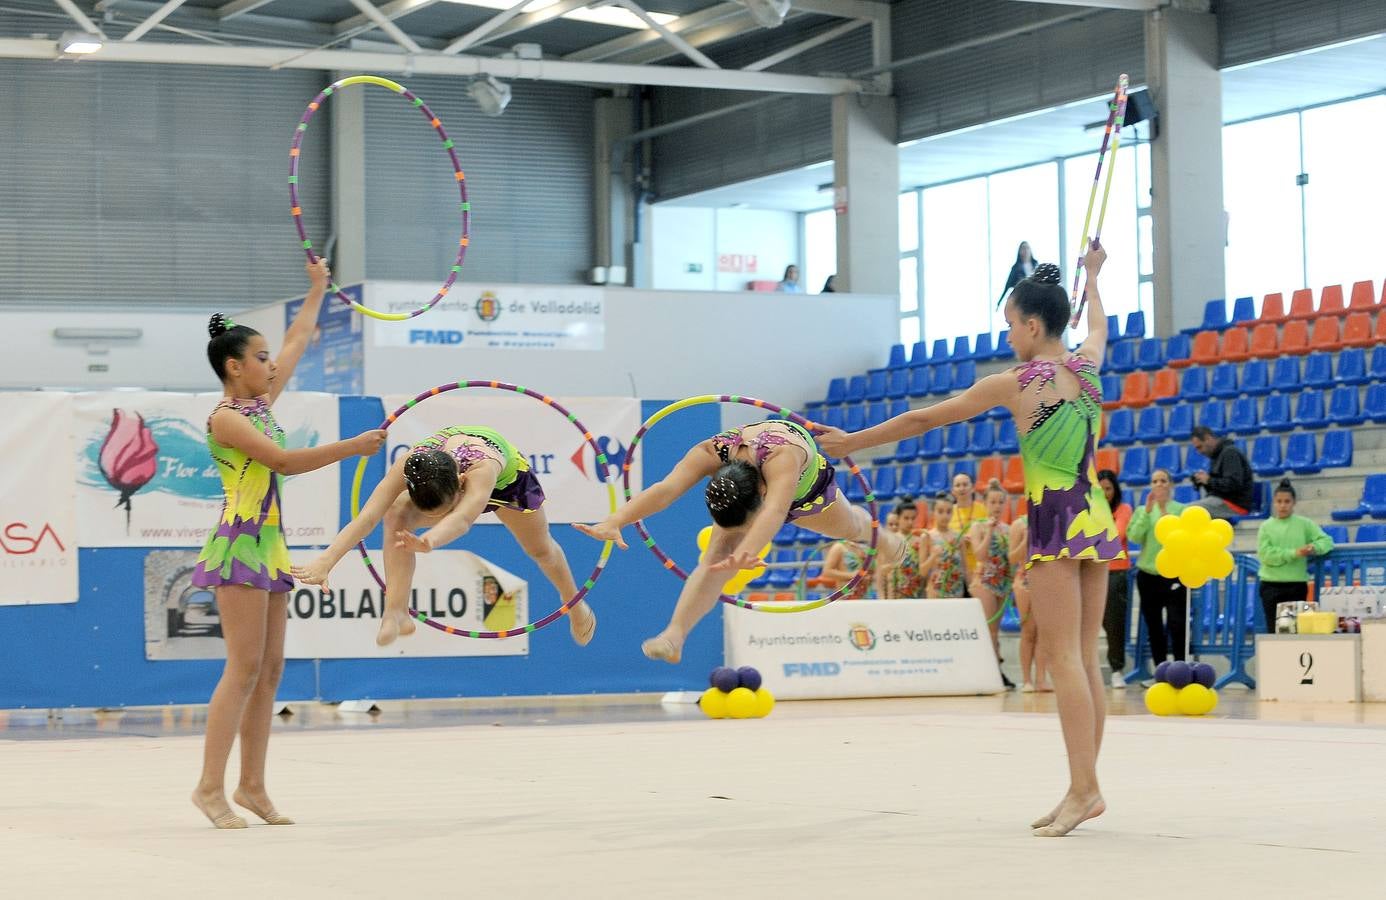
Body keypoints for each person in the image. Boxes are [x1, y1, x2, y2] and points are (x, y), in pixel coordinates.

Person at [820, 242, 1119, 836]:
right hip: (1094, 512)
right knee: (1084, 658)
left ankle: (1085, 789)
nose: (1008, 336)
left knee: (1063, 660)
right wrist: (1093, 275)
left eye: (1011, 325)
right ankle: (1081, 786)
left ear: (1034, 325)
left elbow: (924, 419)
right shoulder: (1089, 367)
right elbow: (1100, 328)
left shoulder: (1016, 382)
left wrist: (853, 442)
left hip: (1053, 516)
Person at [190, 260, 388, 830]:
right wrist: (351, 447)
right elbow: (280, 461)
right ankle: (209, 787)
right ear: (234, 367)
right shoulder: (226, 418)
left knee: (271, 670)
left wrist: (318, 288)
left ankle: (251, 785)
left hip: (269, 545)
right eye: (260, 358)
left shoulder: (259, 403)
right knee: (243, 665)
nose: (272, 364)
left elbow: (300, 337)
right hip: (239, 544)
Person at [575, 418, 908, 662]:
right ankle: (674, 635)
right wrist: (614, 520)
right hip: (755, 490)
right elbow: (665, 490)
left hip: (810, 491)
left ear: (759, 493)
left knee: (850, 527)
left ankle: (884, 539)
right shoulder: (710, 452)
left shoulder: (782, 459)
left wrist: (748, 551)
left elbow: (776, 510)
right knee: (715, 557)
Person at [294, 425, 597, 648]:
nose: (438, 518)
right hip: (445, 479)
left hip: (508, 481)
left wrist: (430, 541)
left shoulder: (482, 469)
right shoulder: (410, 465)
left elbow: (463, 518)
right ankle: (395, 610)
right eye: (435, 514)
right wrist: (326, 560)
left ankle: (573, 602)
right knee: (395, 515)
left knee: (540, 549)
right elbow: (366, 518)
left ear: (461, 484)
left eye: (443, 510)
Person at [1126, 469, 1188, 665]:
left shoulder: (1181, 510)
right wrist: (1147, 511)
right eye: (1155, 481)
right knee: (1154, 625)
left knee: (1177, 623)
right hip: (1148, 574)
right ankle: (1160, 668)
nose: (1159, 484)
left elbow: (1179, 539)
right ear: (1150, 486)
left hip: (1174, 574)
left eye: (1163, 480)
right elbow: (1134, 537)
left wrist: (1163, 512)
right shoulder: (1141, 510)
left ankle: (1180, 666)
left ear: (1170, 485)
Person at [1256, 478, 1334, 633]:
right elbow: (1265, 555)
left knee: (1297, 631)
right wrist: (1294, 553)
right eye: (1279, 501)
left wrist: (1314, 547)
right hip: (1271, 585)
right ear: (1274, 502)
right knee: (1273, 631)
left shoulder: (1304, 524)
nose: (1283, 505)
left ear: (1294, 503)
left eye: (1287, 501)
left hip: (1296, 585)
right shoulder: (1265, 527)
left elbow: (1327, 541)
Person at [967, 479, 1015, 686]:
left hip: (1002, 582)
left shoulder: (1008, 528)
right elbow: (980, 555)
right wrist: (989, 531)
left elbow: (1012, 559)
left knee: (996, 632)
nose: (996, 506)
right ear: (985, 504)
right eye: (993, 502)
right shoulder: (977, 526)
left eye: (1000, 502)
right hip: (984, 581)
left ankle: (996, 671)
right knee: (988, 631)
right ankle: (988, 673)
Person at [1097, 470, 1132, 689]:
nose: (1104, 493)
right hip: (1092, 571)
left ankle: (1117, 669)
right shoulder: (1089, 509)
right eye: (1100, 489)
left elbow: (1115, 536)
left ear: (1115, 489)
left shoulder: (1124, 509)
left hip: (1115, 573)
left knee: (1114, 624)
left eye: (1108, 489)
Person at [1009, 513, 1049, 692]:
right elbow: (1012, 557)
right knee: (1028, 631)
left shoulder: (1052, 519)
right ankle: (1026, 680)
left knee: (1043, 632)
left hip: (1046, 577)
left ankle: (1041, 679)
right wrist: (1026, 539)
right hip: (1025, 577)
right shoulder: (1019, 524)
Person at [1189, 426, 1255, 520]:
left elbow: (1234, 484)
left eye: (1200, 447)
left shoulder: (1230, 453)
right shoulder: (1216, 456)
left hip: (1235, 504)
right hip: (1223, 501)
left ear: (1208, 438)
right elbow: (1218, 489)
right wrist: (1204, 481)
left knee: (1189, 511)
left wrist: (1209, 480)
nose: (1199, 452)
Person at [919, 493, 966, 599]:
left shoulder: (958, 537)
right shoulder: (927, 537)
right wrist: (933, 556)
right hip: (936, 592)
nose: (945, 516)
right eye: (940, 511)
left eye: (948, 512)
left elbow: (965, 568)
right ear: (933, 513)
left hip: (957, 591)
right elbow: (922, 572)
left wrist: (971, 589)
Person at [949, 472, 987, 590]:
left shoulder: (983, 509)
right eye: (958, 485)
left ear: (973, 488)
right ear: (953, 491)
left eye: (965, 484)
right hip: (956, 571)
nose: (962, 488)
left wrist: (976, 538)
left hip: (980, 570)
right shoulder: (947, 512)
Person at [882, 497, 924, 598]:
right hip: (895, 592)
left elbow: (923, 571)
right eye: (906, 518)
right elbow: (882, 570)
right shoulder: (889, 540)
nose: (910, 522)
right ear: (898, 518)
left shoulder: (920, 540)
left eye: (913, 518)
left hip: (915, 592)